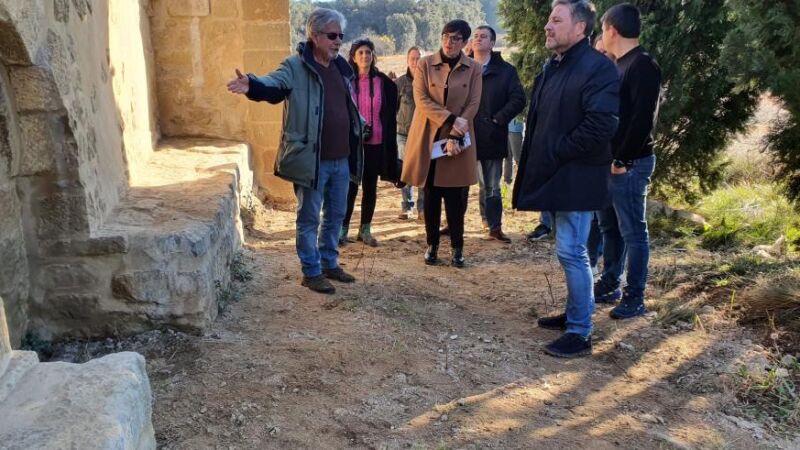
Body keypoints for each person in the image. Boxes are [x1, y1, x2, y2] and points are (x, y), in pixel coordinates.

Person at [227, 8, 362, 295]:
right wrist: (252, 85)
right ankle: (311, 272)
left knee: (336, 215)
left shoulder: (341, 68)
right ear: (314, 35)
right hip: (311, 160)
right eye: (332, 35)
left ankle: (329, 263)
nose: (338, 41)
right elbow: (274, 85)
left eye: (341, 35)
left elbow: (344, 106)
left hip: (341, 158)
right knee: (309, 218)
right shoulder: (295, 66)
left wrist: (359, 124)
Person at [512, 0, 620, 357]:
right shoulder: (555, 66)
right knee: (569, 251)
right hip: (558, 175)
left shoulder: (597, 68)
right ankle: (576, 312)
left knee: (573, 252)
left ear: (580, 28)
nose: (547, 26)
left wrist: (557, 150)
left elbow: (601, 125)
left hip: (577, 177)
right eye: (549, 19)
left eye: (556, 20)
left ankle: (580, 332)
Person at [594, 3, 662, 319]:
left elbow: (642, 119)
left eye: (602, 29)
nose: (602, 35)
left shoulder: (643, 64)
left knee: (634, 232)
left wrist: (622, 159)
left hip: (630, 165)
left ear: (612, 30)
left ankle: (635, 297)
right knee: (610, 227)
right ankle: (610, 284)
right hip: (611, 162)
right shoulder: (618, 64)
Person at [401, 19, 482, 268]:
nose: (449, 42)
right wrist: (451, 119)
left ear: (465, 42)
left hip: (459, 138)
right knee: (431, 196)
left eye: (456, 38)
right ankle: (432, 245)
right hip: (430, 136)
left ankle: (457, 248)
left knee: (456, 198)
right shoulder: (425, 64)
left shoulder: (474, 68)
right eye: (446, 36)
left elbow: (473, 103)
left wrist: (457, 132)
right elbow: (422, 100)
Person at [341, 39, 399, 247]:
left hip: (376, 143)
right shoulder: (346, 81)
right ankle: (342, 229)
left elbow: (392, 110)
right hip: (352, 144)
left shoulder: (383, 82)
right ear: (353, 57)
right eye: (360, 53)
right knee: (349, 188)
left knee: (370, 187)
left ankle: (365, 229)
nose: (365, 56)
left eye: (368, 52)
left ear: (373, 56)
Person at [472, 25, 526, 243]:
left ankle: (494, 226)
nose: (478, 39)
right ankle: (454, 223)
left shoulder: (506, 71)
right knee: (458, 183)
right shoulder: (462, 67)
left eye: (483, 36)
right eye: (475, 36)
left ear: (492, 43)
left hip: (492, 135)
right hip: (464, 135)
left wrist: (498, 119)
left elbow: (519, 99)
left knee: (492, 185)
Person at [396, 47, 424, 221]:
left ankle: (423, 209)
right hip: (403, 134)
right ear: (407, 60)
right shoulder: (400, 83)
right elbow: (393, 107)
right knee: (405, 170)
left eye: (418, 58)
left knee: (423, 170)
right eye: (412, 58)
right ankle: (407, 206)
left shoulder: (427, 81)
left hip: (422, 134)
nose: (415, 62)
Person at [503, 116, 525, 185]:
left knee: (518, 158)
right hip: (505, 129)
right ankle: (507, 181)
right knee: (507, 157)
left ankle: (523, 181)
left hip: (515, 131)